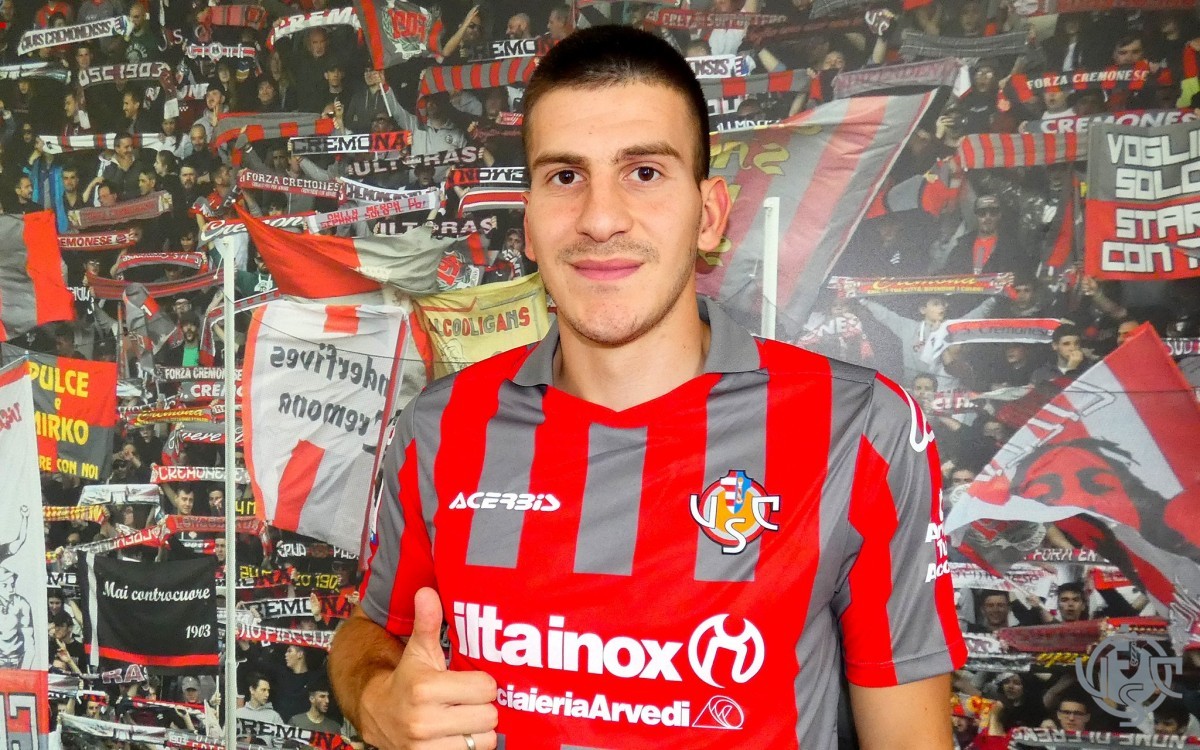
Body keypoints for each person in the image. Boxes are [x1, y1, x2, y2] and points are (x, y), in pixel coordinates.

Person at [329, 25, 964, 750]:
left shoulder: (859, 426)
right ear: (529, 225)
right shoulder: (441, 425)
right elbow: (373, 630)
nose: (601, 219)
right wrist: (375, 697)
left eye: (645, 172)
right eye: (565, 177)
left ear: (710, 215)